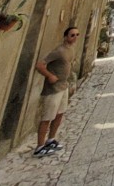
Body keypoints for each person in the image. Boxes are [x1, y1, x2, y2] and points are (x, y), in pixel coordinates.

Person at [33, 26, 79, 157]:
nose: (75, 37)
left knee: (59, 114)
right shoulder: (58, 51)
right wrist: (49, 76)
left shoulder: (71, 49)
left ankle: (51, 139)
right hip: (53, 89)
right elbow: (39, 65)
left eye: (77, 35)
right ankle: (39, 147)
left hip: (63, 86)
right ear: (65, 37)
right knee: (47, 117)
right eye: (72, 35)